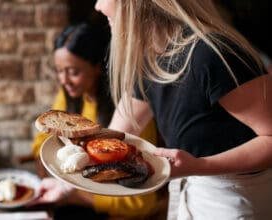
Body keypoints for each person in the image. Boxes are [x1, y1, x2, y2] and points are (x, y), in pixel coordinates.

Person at [93, 0, 272, 219]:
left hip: (237, 202)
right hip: (194, 193)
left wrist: (198, 165)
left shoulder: (213, 55)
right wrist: (65, 180)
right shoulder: (151, 56)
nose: (98, 5)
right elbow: (115, 137)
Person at [29, 23, 160, 219]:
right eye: (59, 71)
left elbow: (140, 203)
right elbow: (42, 141)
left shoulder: (130, 111)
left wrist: (72, 195)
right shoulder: (70, 95)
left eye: (73, 72)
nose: (64, 81)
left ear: (98, 67)